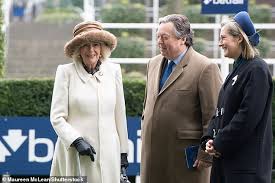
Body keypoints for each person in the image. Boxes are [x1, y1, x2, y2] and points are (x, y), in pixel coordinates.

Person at [140, 14, 222, 183]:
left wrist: (205, 156)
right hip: (153, 157)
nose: (159, 42)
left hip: (186, 160)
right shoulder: (153, 64)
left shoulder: (205, 67)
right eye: (158, 37)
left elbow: (214, 116)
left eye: (165, 37)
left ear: (183, 38)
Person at [50, 21, 129, 183]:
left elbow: (119, 114)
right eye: (85, 45)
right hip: (75, 154)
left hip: (109, 154)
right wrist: (76, 140)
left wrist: (122, 152)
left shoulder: (114, 71)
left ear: (102, 48)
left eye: (95, 45)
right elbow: (57, 117)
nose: (91, 50)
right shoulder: (65, 73)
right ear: (78, 50)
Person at [201, 11, 273, 183]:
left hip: (245, 169)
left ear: (239, 38)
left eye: (223, 38)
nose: (220, 43)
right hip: (228, 165)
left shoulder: (257, 69)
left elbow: (247, 117)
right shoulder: (238, 69)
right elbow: (219, 113)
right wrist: (209, 138)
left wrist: (219, 143)